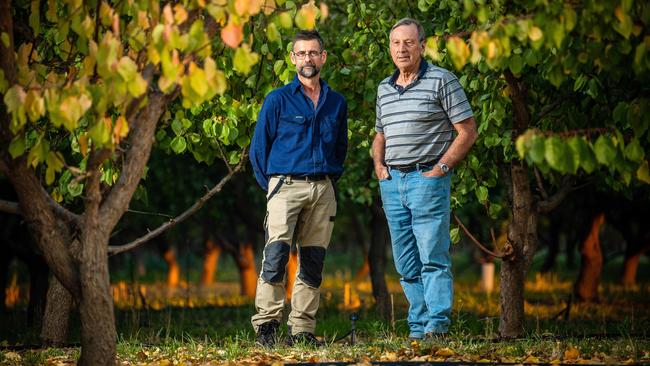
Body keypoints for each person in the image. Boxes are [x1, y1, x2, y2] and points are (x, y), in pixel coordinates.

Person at [372, 18, 477, 340]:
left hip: (426, 178)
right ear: (389, 48)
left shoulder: (442, 80)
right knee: (405, 262)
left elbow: (468, 130)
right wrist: (379, 166)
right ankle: (418, 327)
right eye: (395, 43)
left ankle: (437, 324)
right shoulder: (384, 89)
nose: (401, 49)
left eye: (408, 42)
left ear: (422, 45)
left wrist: (441, 169)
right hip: (393, 183)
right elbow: (380, 134)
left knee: (432, 256)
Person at [249, 29, 348, 347]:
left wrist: (328, 181)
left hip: (323, 190)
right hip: (284, 186)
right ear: (293, 58)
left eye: (313, 52)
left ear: (323, 57)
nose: (308, 58)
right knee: (275, 255)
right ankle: (267, 326)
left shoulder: (337, 102)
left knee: (313, 260)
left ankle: (302, 330)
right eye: (301, 53)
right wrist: (274, 187)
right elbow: (258, 151)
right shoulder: (277, 99)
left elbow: (341, 149)